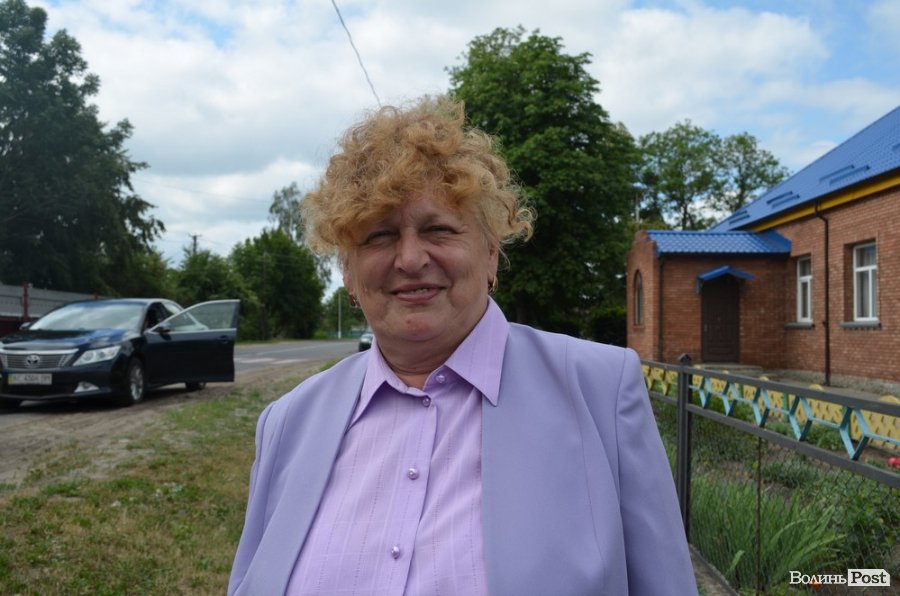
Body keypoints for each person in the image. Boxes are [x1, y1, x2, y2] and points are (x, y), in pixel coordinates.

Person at [228, 97, 698, 596]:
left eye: (439, 229)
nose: (410, 259)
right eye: (379, 236)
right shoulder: (287, 423)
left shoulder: (600, 391)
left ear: (491, 252)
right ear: (348, 270)